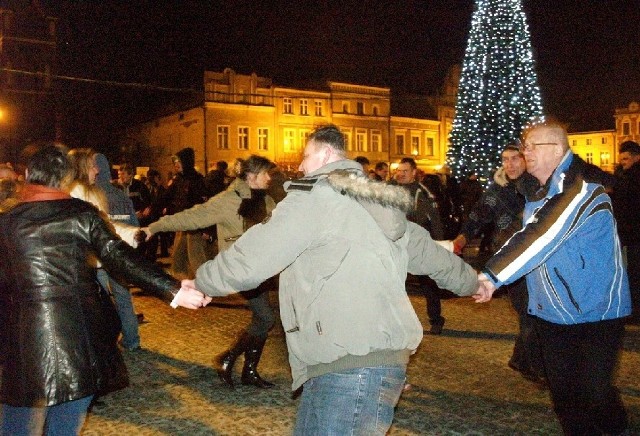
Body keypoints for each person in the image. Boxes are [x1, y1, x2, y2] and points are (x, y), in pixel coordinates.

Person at [185, 124, 481, 434]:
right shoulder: (378, 202)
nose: (300, 166)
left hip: (347, 363)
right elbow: (427, 252)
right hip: (368, 361)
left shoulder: (316, 197)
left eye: (306, 156)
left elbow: (257, 253)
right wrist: (473, 282)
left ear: (327, 154)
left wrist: (203, 282)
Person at [0, 143, 207, 436]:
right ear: (66, 178)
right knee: (65, 425)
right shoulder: (82, 214)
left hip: (22, 343)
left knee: (18, 426)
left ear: (30, 174)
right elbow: (119, 257)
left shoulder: (6, 222)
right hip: (78, 339)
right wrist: (173, 289)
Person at [476, 119, 631, 435]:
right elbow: (523, 236)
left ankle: (616, 426)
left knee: (595, 391)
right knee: (564, 395)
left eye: (533, 147)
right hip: (551, 313)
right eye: (524, 146)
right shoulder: (535, 195)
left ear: (558, 150)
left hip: (596, 312)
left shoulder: (585, 192)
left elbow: (539, 236)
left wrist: (491, 276)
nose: (525, 153)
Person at [144, 155, 278, 389]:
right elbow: (191, 217)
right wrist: (153, 227)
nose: (269, 178)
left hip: (260, 271)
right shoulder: (227, 201)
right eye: (266, 173)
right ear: (251, 176)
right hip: (239, 271)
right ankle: (228, 359)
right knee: (265, 317)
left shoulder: (266, 201)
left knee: (262, 318)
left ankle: (248, 370)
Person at [454, 144, 544, 384]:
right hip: (508, 257)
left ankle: (521, 359)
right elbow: (478, 216)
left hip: (537, 254)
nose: (510, 164)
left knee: (535, 309)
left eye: (516, 158)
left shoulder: (538, 184)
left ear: (525, 159)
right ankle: (532, 365)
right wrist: (461, 239)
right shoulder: (498, 189)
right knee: (527, 308)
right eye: (505, 159)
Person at [94, 153, 145, 351]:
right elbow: (134, 226)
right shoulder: (121, 195)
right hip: (119, 255)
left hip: (98, 256)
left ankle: (104, 342)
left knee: (100, 301)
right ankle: (132, 340)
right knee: (123, 298)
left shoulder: (90, 196)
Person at [392, 157, 447, 334]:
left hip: (418, 244)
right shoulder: (390, 190)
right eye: (399, 170)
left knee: (427, 283)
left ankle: (436, 319)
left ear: (414, 172)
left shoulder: (421, 192)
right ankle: (396, 322)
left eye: (404, 171)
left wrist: (438, 244)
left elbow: (433, 219)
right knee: (394, 283)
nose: (400, 174)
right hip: (396, 245)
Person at [160, 147, 209, 277]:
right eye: (175, 162)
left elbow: (205, 206)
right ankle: (182, 284)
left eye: (179, 162)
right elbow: (166, 197)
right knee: (177, 257)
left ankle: (205, 285)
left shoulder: (197, 181)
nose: (176, 165)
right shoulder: (178, 180)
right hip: (182, 224)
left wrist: (206, 229)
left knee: (196, 258)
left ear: (186, 162)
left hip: (195, 226)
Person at [612, 140, 640, 323]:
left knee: (635, 272)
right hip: (627, 231)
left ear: (637, 157)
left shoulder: (632, 178)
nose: (623, 162)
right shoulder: (623, 175)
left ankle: (635, 311)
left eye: (627, 159)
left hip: (634, 232)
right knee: (630, 271)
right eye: (621, 159)